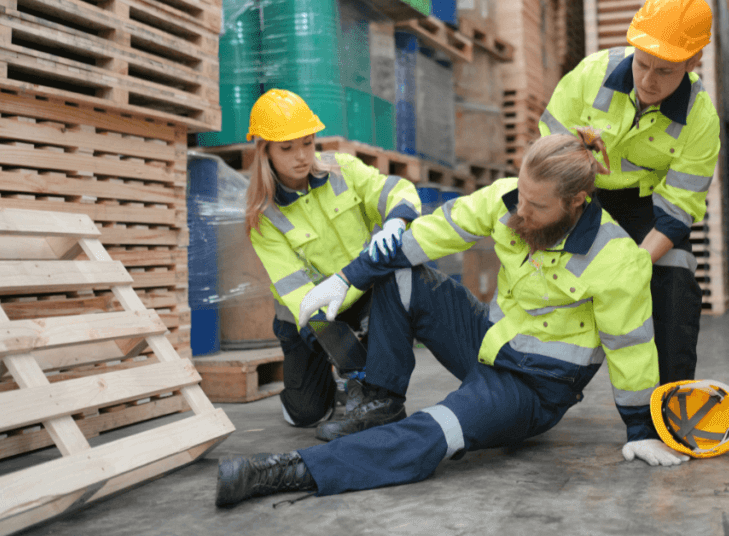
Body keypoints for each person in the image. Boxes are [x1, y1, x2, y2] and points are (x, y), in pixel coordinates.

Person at [215, 133, 690, 509]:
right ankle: (380, 398)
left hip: (534, 389)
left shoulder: (617, 262)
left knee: (438, 429)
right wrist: (348, 277)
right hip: (490, 344)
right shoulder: (511, 201)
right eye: (520, 195)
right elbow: (432, 233)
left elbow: (631, 348)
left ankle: (293, 469)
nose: (520, 212)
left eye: (537, 207)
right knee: (401, 270)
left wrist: (640, 427)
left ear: (577, 202)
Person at [538, 0, 720, 386]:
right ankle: (530, 387)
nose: (648, 81)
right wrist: (574, 156)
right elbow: (544, 157)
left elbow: (678, 209)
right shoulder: (590, 75)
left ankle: (671, 403)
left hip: (646, 210)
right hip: (580, 194)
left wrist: (634, 267)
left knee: (675, 278)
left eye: (665, 71)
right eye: (642, 64)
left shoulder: (700, 119)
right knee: (541, 272)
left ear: (694, 60)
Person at [243, 88, 421, 437]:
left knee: (386, 316)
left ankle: (364, 384)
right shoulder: (263, 218)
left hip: (361, 293)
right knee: (307, 414)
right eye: (287, 148)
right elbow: (297, 293)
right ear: (265, 151)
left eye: (308, 143)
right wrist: (343, 354)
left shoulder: (343, 170)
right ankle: (328, 383)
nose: (302, 156)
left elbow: (396, 190)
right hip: (307, 315)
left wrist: (396, 220)